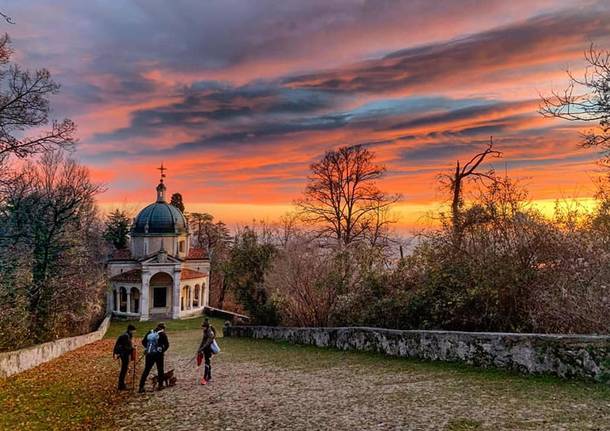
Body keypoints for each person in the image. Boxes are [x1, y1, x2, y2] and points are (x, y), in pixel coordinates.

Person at [138, 323, 170, 393]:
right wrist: (162, 350)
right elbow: (167, 345)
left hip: (149, 354)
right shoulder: (162, 334)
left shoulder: (150, 332)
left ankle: (141, 386)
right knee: (160, 369)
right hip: (158, 355)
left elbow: (143, 342)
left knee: (146, 370)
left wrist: (148, 348)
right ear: (163, 328)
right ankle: (160, 385)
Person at [113, 324, 136, 390]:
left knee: (124, 369)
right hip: (123, 354)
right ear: (130, 330)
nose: (134, 332)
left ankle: (122, 384)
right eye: (133, 331)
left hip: (124, 353)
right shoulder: (125, 336)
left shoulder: (127, 335)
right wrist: (132, 349)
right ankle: (121, 385)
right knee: (124, 369)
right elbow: (126, 346)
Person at [197, 318, 215, 385]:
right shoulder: (205, 331)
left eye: (203, 327)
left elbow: (208, 342)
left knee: (207, 362)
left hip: (209, 349)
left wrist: (202, 348)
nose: (202, 328)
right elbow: (203, 341)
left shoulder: (210, 332)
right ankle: (209, 376)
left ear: (206, 327)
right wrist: (199, 349)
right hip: (205, 349)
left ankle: (205, 377)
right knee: (207, 362)